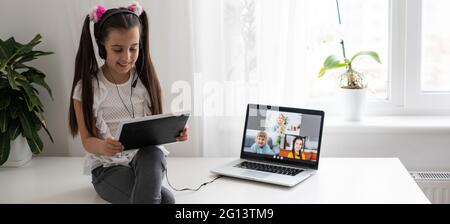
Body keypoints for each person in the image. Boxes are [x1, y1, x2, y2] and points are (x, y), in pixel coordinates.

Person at [68, 2, 187, 204]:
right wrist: (105, 146)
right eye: (117, 49)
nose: (127, 57)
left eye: (133, 48)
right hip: (107, 168)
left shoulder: (146, 83)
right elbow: (88, 141)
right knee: (166, 201)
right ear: (102, 47)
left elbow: (153, 128)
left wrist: (174, 132)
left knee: (153, 154)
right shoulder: (87, 88)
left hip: (143, 160)